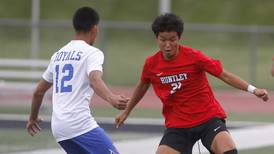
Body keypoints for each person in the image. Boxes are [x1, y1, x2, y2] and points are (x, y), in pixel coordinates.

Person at [115, 13, 269, 154]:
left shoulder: (194, 57)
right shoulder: (151, 64)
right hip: (178, 124)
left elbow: (224, 75)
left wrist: (253, 90)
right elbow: (142, 86)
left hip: (208, 118)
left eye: (172, 40)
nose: (168, 45)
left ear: (179, 38)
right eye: (163, 40)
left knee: (228, 150)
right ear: (157, 38)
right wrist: (126, 111)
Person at [26, 7, 128, 154]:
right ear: (95, 29)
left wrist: (32, 118)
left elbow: (38, 91)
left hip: (59, 129)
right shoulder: (93, 53)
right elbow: (94, 79)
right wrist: (112, 98)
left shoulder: (58, 55)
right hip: (79, 124)